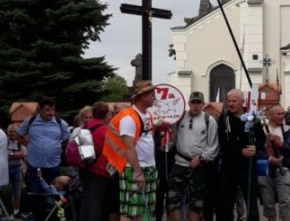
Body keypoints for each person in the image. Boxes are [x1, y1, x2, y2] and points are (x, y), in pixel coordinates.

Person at [103, 80, 158, 221]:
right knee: (129, 211)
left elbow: (146, 140)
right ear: (143, 96)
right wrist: (137, 172)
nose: (155, 98)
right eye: (152, 95)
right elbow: (129, 147)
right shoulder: (128, 117)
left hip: (148, 167)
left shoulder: (147, 115)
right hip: (133, 169)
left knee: (142, 210)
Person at [167, 91, 219, 221]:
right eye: (193, 102)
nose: (195, 105)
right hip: (179, 164)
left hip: (198, 166)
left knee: (196, 204)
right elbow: (171, 139)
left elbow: (213, 146)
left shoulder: (209, 120)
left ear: (203, 104)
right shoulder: (179, 118)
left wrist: (202, 158)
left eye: (198, 102)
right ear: (189, 103)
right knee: (173, 201)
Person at [17, 97, 71, 219]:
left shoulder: (60, 122)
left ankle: (52, 217)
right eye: (47, 110)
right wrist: (30, 146)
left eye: (52, 110)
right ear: (40, 110)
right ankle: (37, 217)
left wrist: (57, 148)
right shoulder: (30, 122)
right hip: (35, 166)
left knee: (53, 195)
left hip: (53, 165)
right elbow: (19, 135)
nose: (50, 113)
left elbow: (67, 138)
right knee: (36, 194)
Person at [217, 89, 266, 221]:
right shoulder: (224, 118)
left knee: (251, 204)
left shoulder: (252, 117)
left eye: (234, 101)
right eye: (229, 101)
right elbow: (223, 143)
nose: (231, 104)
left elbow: (262, 138)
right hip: (229, 167)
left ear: (242, 102)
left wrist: (256, 147)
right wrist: (240, 151)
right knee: (226, 205)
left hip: (248, 167)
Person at [258, 104, 290, 221]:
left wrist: (279, 143)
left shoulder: (287, 130)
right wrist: (270, 159)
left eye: (283, 114)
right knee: (268, 203)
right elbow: (257, 150)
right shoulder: (261, 130)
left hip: (284, 169)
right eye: (278, 114)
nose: (282, 116)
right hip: (265, 170)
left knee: (285, 202)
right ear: (270, 115)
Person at [80, 101, 120, 221]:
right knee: (95, 205)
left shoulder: (86, 127)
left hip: (85, 169)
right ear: (105, 114)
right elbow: (115, 151)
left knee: (86, 201)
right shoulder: (105, 130)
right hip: (100, 172)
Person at [7, 123, 26, 219]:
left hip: (17, 169)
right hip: (6, 170)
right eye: (10, 131)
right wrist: (16, 154)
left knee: (17, 191)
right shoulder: (4, 142)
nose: (12, 133)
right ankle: (7, 210)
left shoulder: (20, 142)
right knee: (5, 190)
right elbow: (3, 156)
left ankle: (16, 211)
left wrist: (10, 154)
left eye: (14, 131)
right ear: (7, 132)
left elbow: (23, 153)